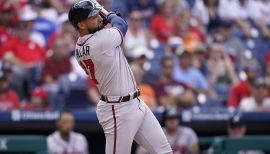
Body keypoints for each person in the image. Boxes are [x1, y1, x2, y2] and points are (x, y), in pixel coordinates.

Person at [68, 1, 172, 154]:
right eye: (93, 17)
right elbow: (121, 23)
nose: (99, 19)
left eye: (97, 15)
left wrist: (98, 11)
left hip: (135, 102)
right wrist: (106, 12)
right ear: (81, 25)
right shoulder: (100, 41)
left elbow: (105, 24)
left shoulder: (80, 46)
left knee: (164, 152)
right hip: (117, 109)